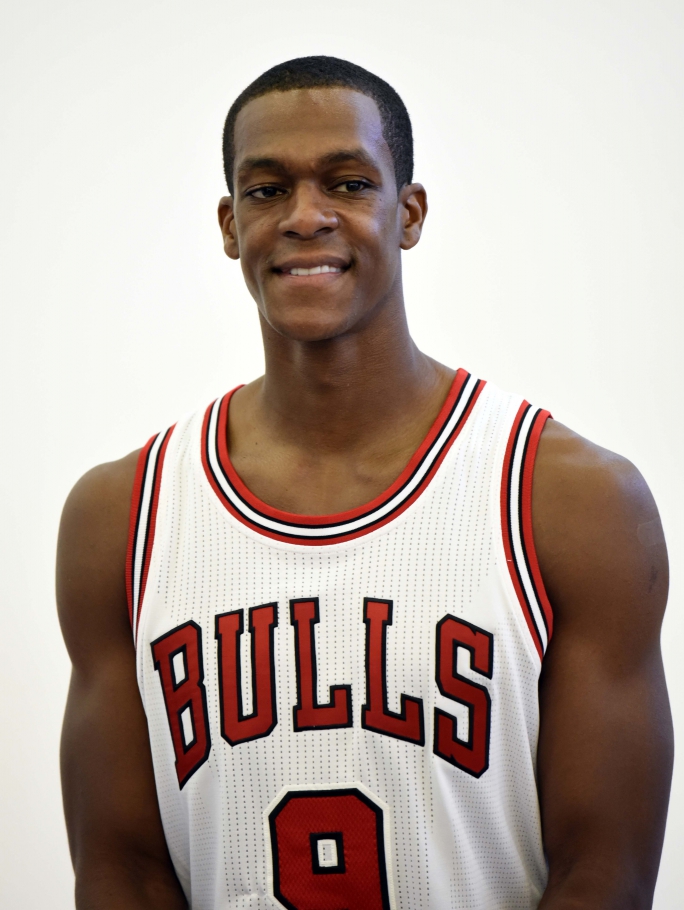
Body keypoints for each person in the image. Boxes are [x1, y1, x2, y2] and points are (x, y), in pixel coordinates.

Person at [57, 56, 673, 910]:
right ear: (231, 224)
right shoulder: (123, 515)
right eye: (268, 191)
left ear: (408, 213)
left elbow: (603, 875)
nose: (306, 217)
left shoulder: (568, 499)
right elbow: (120, 870)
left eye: (346, 182)